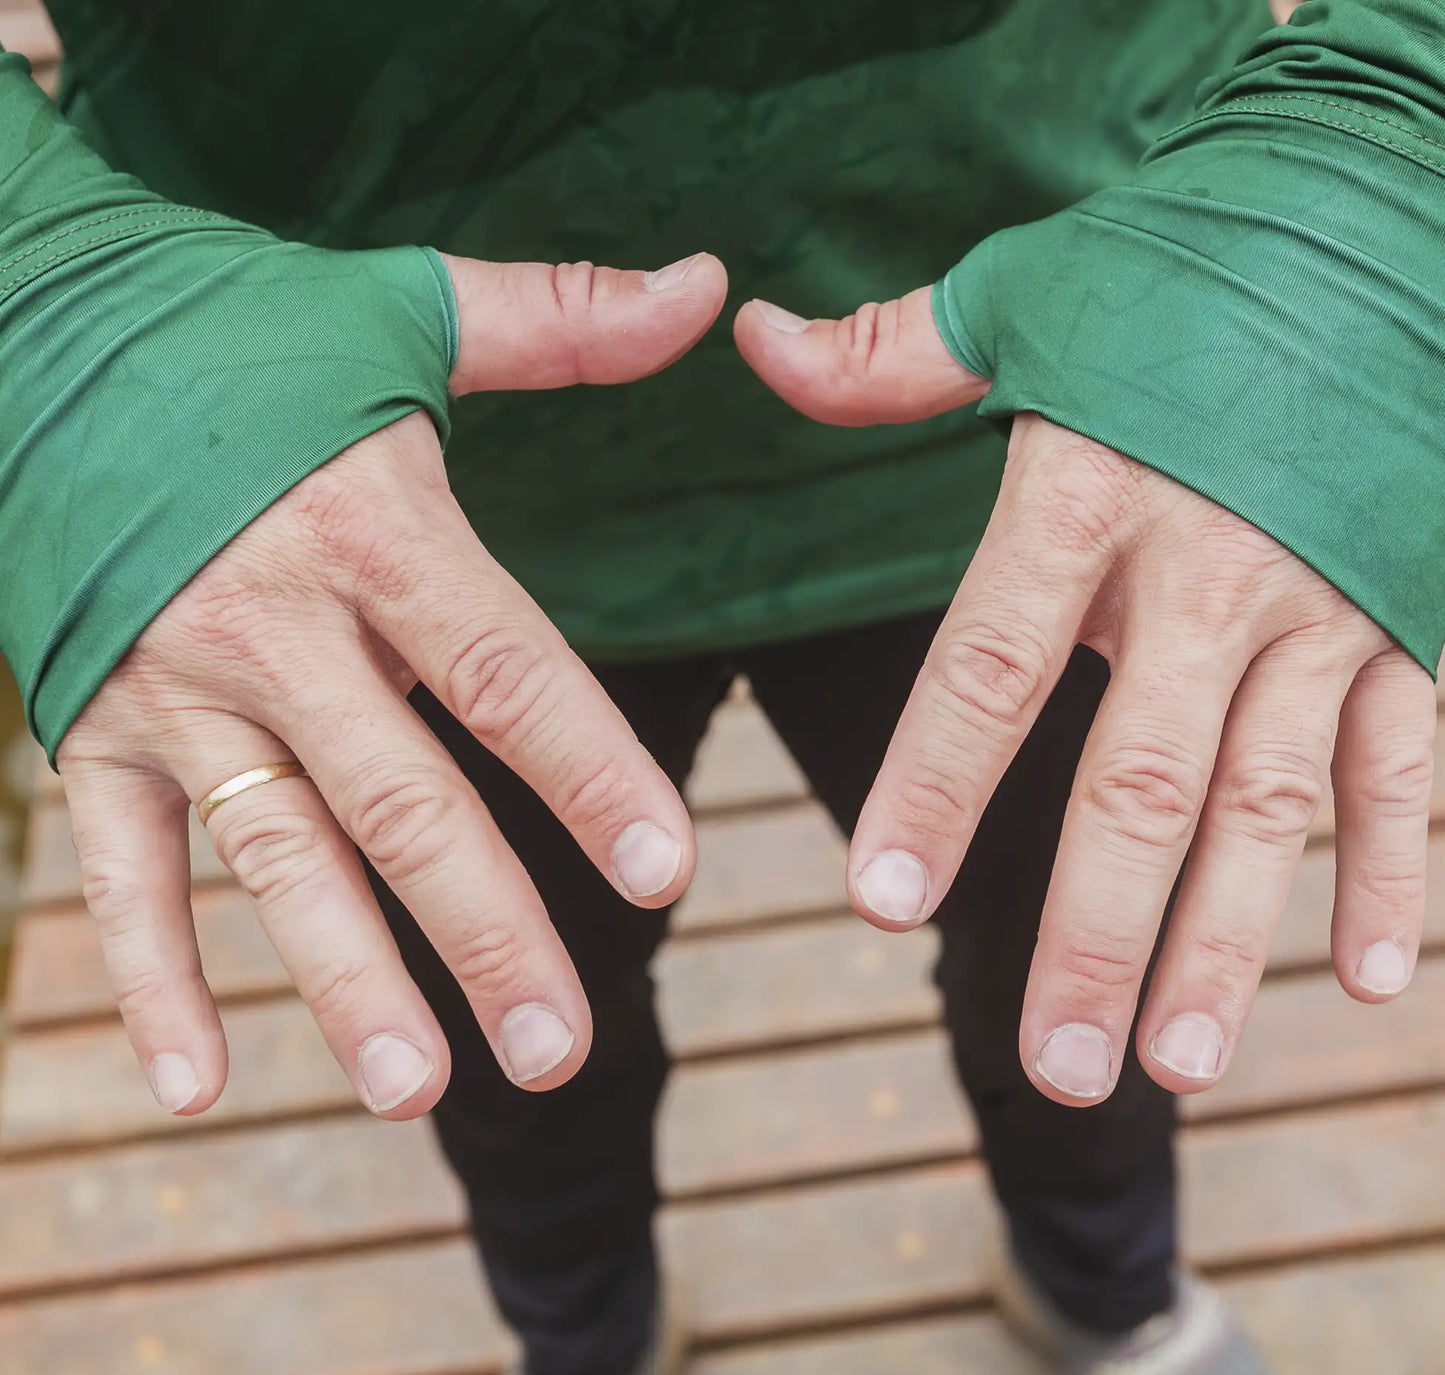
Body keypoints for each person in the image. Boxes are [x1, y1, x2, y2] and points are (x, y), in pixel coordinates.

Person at [1, 0, 1441, 1371]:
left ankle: (1105, 1289)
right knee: (510, 1027)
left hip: (1097, 366)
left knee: (1086, 961)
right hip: (316, 443)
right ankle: (589, 1340)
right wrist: (37, 272)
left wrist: (1393, 138)